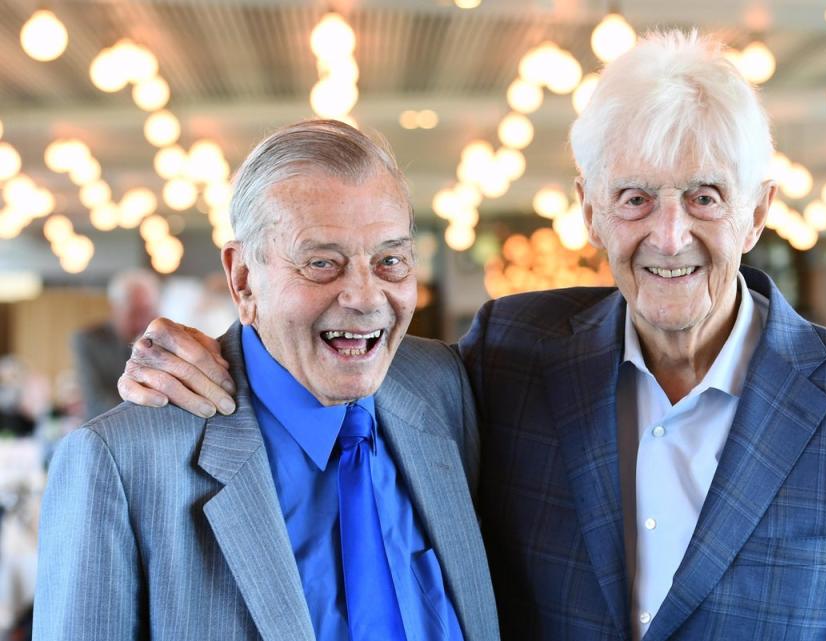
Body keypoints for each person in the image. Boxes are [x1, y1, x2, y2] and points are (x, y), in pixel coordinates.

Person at [117, 31, 826, 640]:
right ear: (592, 208)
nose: (669, 235)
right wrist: (201, 353)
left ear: (758, 213)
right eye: (635, 199)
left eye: (705, 196)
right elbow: (337, 341)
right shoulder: (509, 352)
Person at [34, 120, 498, 641]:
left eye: (391, 261)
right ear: (243, 279)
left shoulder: (445, 387)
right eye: (322, 263)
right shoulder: (122, 462)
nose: (366, 297)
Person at [71, 269, 160, 420]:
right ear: (116, 308)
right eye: (134, 313)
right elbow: (96, 399)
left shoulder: (161, 343)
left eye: (147, 312)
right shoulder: (88, 340)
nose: (141, 322)